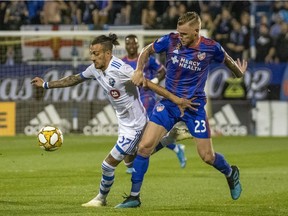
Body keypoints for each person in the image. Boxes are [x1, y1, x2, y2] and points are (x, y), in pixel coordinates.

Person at [31, 34, 196, 208]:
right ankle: (170, 138)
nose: (92, 57)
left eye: (96, 54)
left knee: (107, 165)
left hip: (135, 125)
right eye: (91, 53)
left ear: (108, 53)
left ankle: (101, 199)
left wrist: (176, 100)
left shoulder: (121, 69)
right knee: (131, 161)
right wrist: (46, 85)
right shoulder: (94, 69)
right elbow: (74, 79)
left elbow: (148, 84)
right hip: (124, 123)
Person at [115, 11, 247, 208]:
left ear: (196, 31)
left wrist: (238, 73)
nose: (181, 37)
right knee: (144, 147)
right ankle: (134, 197)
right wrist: (139, 69)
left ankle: (231, 173)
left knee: (207, 156)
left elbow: (228, 60)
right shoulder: (170, 40)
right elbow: (146, 51)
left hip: (194, 107)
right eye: (179, 32)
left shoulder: (211, 48)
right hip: (169, 104)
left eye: (185, 34)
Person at [122, 34, 188, 171]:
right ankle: (175, 147)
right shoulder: (122, 62)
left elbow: (162, 71)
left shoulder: (147, 59)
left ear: (138, 45)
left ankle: (135, 162)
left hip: (147, 97)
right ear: (125, 46)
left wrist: (155, 82)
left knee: (146, 129)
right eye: (128, 44)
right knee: (141, 130)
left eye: (134, 43)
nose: (131, 46)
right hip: (132, 100)